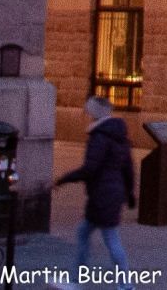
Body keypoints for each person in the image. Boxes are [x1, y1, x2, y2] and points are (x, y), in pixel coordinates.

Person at [57, 96, 135, 271]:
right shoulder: (120, 135)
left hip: (102, 194)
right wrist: (129, 193)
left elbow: (90, 168)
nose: (87, 115)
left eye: (88, 111)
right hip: (113, 192)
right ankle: (76, 278)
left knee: (109, 238)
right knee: (86, 232)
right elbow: (128, 169)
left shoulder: (99, 137)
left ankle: (124, 283)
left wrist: (64, 179)